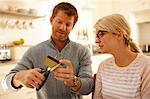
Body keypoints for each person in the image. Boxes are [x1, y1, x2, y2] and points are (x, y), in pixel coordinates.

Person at [2, 2, 94, 99]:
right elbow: (5, 84)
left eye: (68, 24)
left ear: (72, 27)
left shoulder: (83, 51)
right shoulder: (34, 51)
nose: (63, 28)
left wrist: (75, 81)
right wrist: (18, 77)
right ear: (51, 20)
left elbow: (89, 86)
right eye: (59, 22)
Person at [93, 14, 150, 99]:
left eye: (100, 34)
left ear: (119, 35)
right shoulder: (103, 66)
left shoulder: (146, 66)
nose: (96, 41)